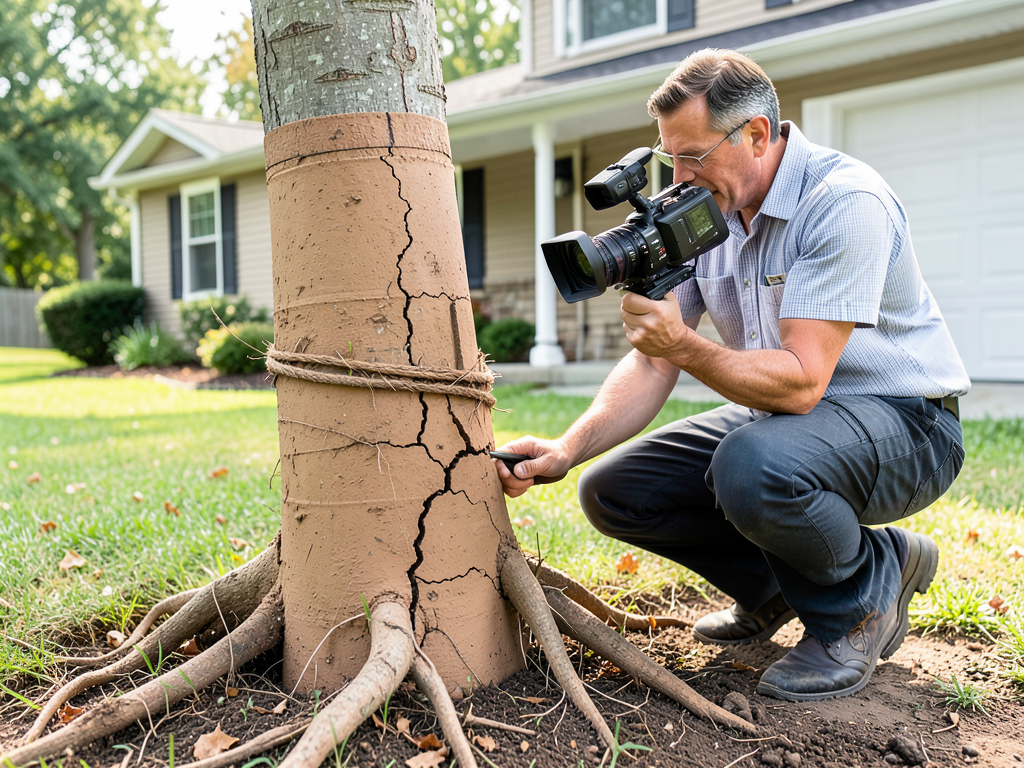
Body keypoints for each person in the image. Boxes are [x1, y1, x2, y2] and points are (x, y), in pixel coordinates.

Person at [495, 48, 969, 702]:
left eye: (694, 155)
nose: (681, 177)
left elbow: (802, 380)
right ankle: (774, 589)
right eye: (671, 159)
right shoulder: (703, 210)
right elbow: (655, 359)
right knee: (617, 490)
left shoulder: (842, 201)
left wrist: (686, 345)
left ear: (755, 134)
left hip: (907, 423)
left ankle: (860, 598)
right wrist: (566, 449)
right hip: (793, 422)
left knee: (749, 464)